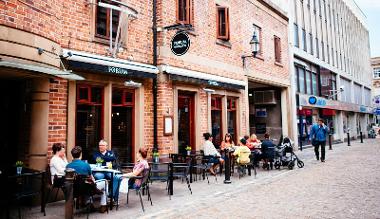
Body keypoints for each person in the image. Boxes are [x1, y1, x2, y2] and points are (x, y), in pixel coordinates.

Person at [67, 146, 108, 213]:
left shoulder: (68, 166)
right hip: (87, 189)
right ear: (81, 155)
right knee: (105, 182)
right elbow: (92, 178)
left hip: (74, 190)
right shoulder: (86, 165)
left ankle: (89, 202)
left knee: (84, 183)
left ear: (72, 155)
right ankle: (103, 205)